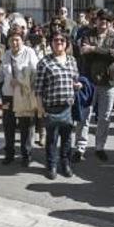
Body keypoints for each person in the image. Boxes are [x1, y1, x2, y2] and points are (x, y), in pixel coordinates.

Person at [0, 28, 40, 165]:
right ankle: (9, 153)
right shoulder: (7, 54)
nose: (14, 42)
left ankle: (26, 155)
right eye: (12, 40)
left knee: (25, 126)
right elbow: (1, 74)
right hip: (8, 96)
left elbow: (35, 74)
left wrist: (21, 82)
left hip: (24, 95)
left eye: (17, 39)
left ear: (23, 40)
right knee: (8, 125)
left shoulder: (30, 52)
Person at [34, 30, 81, 179]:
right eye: (55, 40)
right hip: (51, 107)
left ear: (66, 43)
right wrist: (40, 108)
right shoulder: (44, 62)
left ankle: (65, 164)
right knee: (52, 139)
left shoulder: (72, 60)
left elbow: (75, 79)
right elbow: (38, 88)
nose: (59, 42)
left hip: (68, 107)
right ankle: (51, 165)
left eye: (62, 40)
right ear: (51, 43)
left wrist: (77, 85)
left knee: (67, 139)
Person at [76, 11, 114, 162]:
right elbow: (84, 52)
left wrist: (94, 49)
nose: (105, 23)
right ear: (97, 20)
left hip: (108, 82)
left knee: (105, 117)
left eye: (108, 20)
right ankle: (80, 147)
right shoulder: (88, 34)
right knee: (85, 115)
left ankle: (100, 147)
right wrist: (103, 53)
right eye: (102, 20)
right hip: (89, 80)